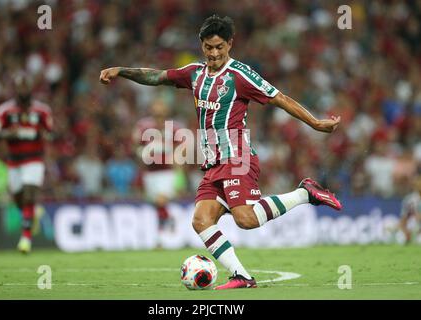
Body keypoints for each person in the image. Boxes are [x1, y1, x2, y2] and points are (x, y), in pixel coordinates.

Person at [100, 15, 342, 289]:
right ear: (201, 46)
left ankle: (305, 193)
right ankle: (242, 276)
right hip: (212, 162)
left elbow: (280, 98)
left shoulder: (240, 75)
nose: (214, 53)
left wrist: (316, 123)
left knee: (246, 220)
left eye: (219, 47)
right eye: (208, 47)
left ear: (230, 44)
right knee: (201, 220)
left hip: (236, 156)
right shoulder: (194, 73)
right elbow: (156, 76)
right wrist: (121, 70)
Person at [0, 73, 53, 253]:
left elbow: (51, 132)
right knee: (19, 199)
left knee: (28, 194)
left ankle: (25, 238)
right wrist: (9, 134)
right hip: (14, 161)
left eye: (26, 86)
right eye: (20, 86)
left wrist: (44, 134)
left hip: (34, 159)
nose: (23, 90)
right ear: (15, 89)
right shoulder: (5, 110)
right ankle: (32, 214)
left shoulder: (42, 110)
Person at [132, 99, 182, 232]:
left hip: (167, 172)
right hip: (150, 172)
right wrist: (142, 154)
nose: (159, 109)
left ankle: (166, 229)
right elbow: (135, 146)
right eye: (156, 106)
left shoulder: (175, 127)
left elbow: (181, 153)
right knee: (155, 204)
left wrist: (179, 178)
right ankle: (164, 230)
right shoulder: (143, 126)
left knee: (161, 200)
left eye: (161, 106)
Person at [399, 175, 421, 244]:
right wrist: (405, 231)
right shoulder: (409, 200)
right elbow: (403, 219)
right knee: (400, 238)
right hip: (412, 228)